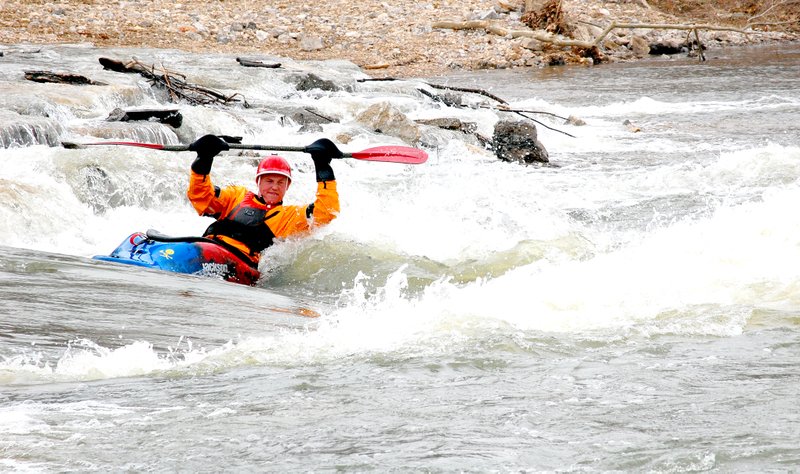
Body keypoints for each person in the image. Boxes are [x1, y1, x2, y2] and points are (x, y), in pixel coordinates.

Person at [185, 134, 341, 268]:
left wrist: (323, 169)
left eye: (281, 183)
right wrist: (203, 161)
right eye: (269, 181)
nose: (274, 187)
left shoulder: (288, 216)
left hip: (237, 263)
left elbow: (326, 212)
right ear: (258, 182)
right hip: (206, 247)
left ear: (287, 186)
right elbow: (202, 198)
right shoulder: (236, 196)